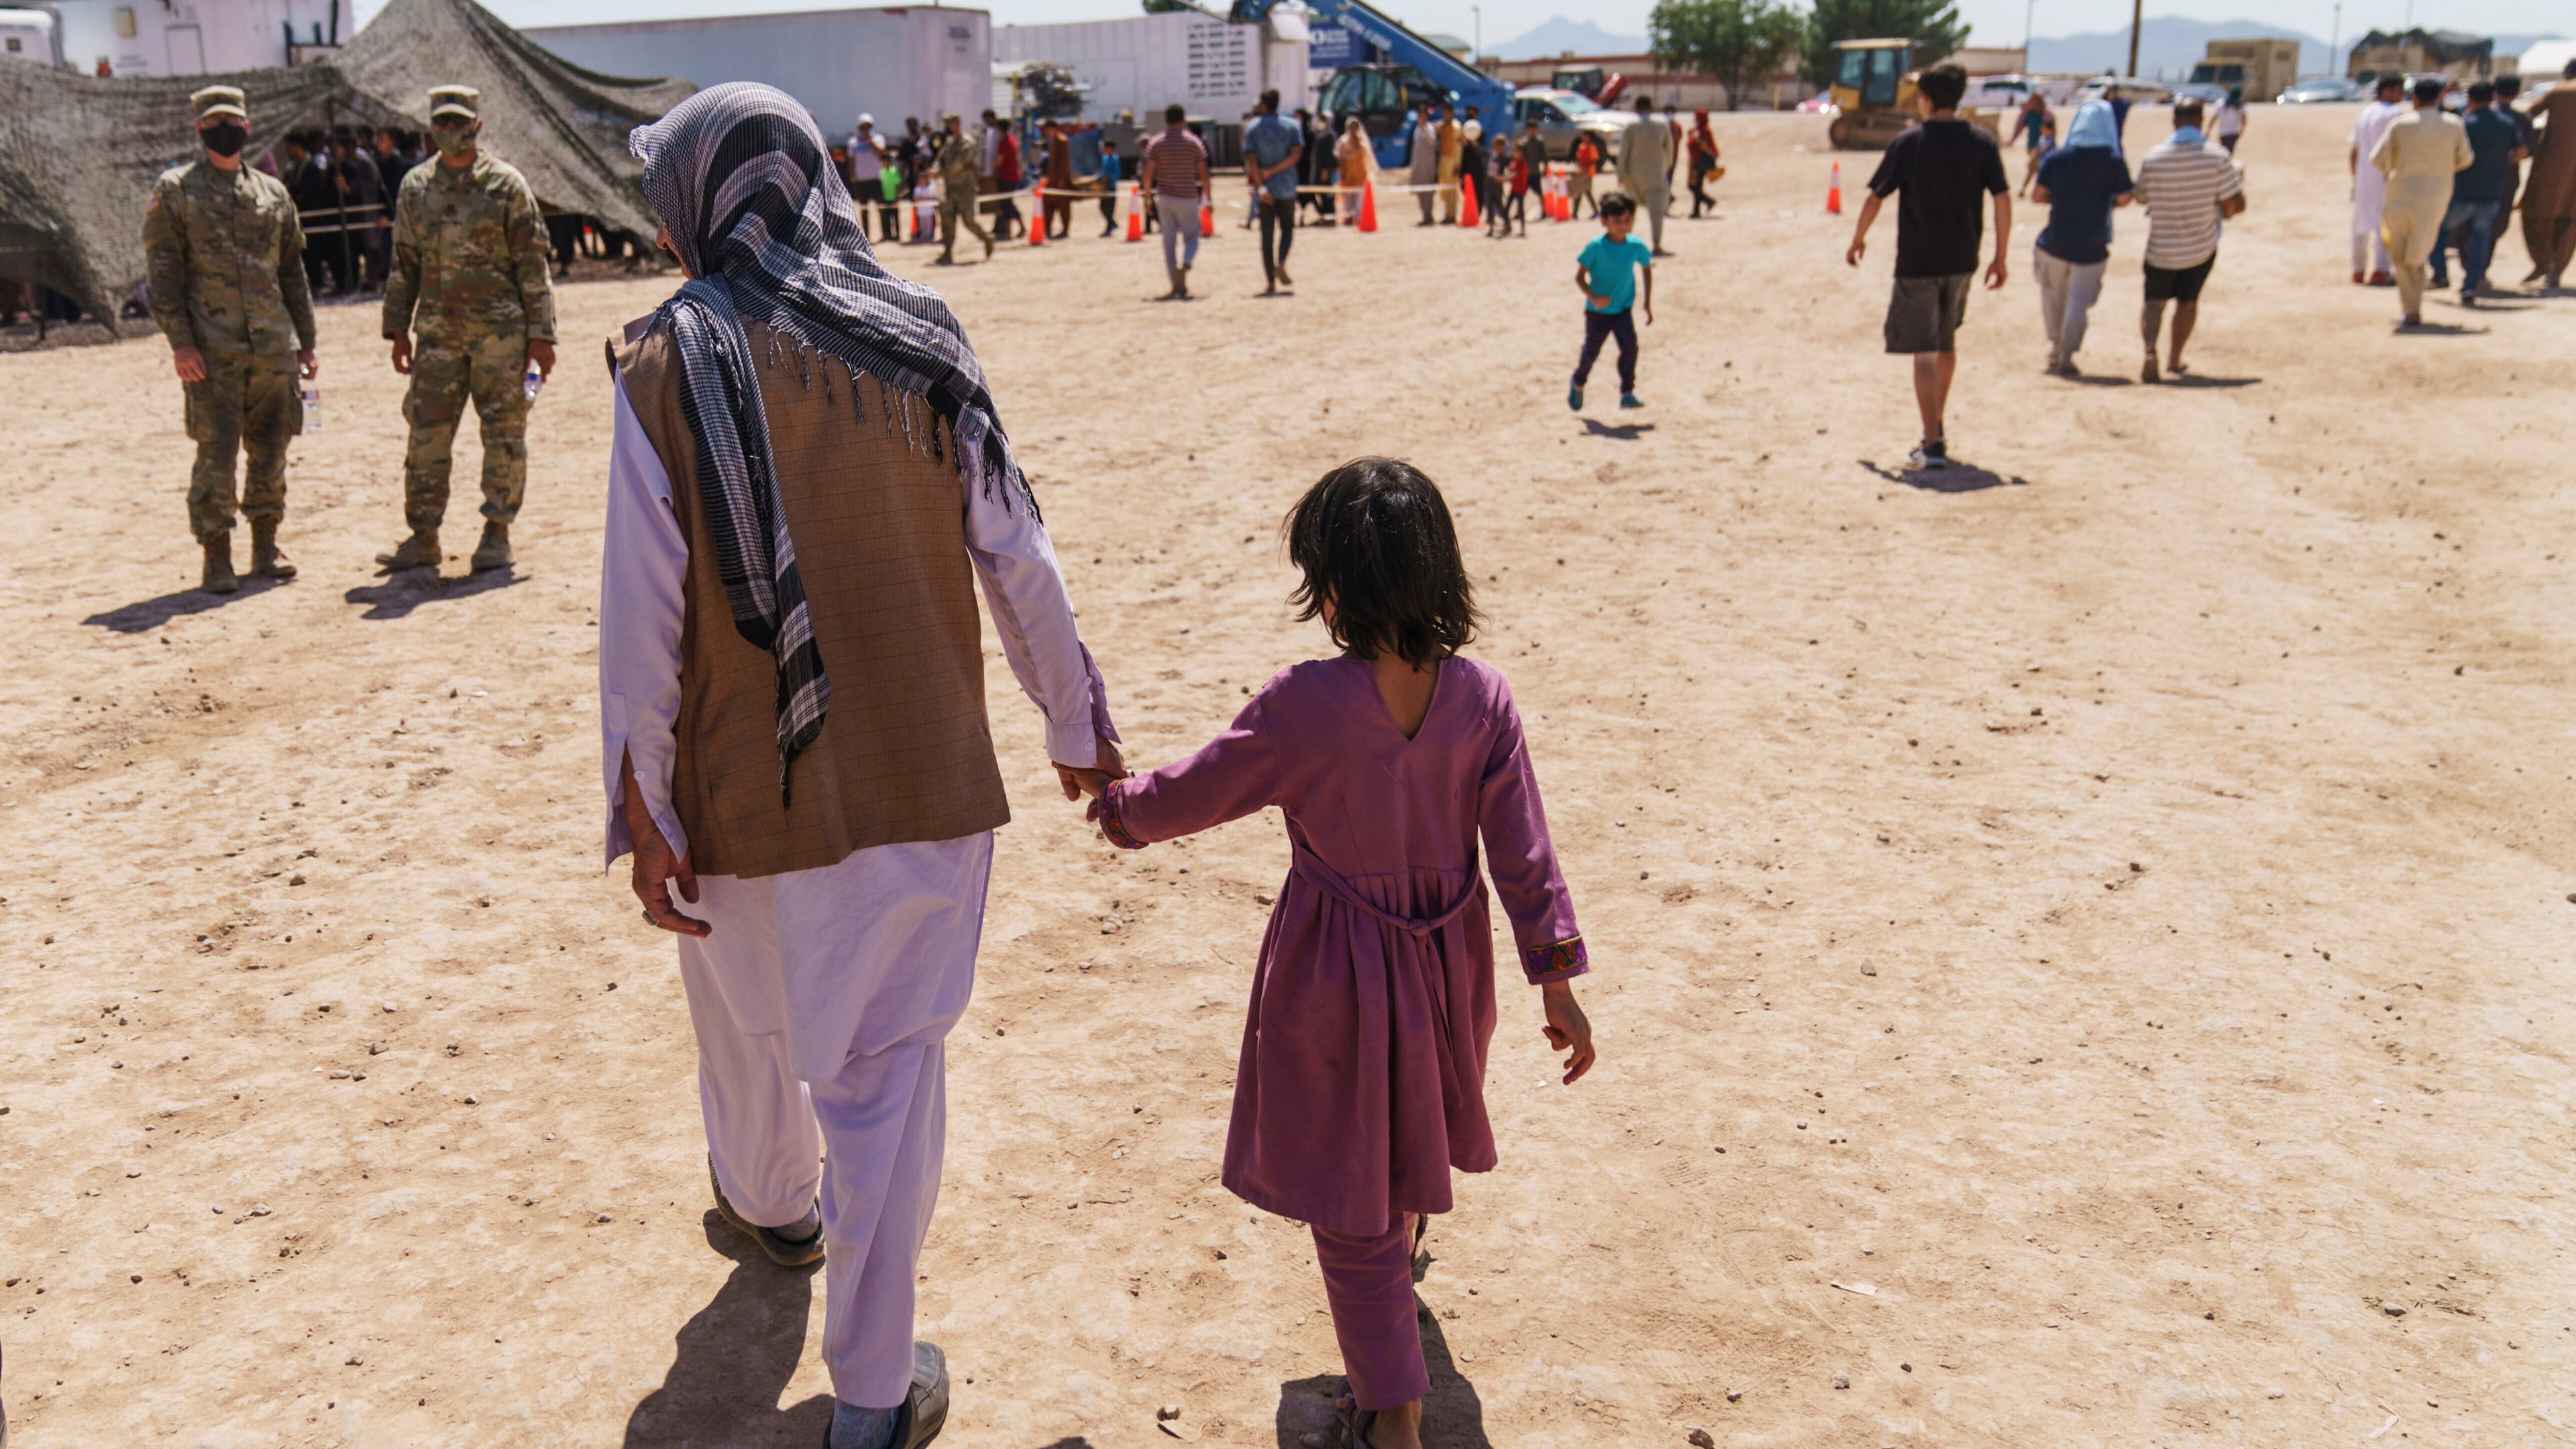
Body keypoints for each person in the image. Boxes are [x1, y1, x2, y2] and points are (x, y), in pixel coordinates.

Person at [608, 82, 1126, 1449]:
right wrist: (1075, 721)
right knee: (882, 1083)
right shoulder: (921, 334)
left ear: (698, 198)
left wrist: (644, 806)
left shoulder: (664, 359)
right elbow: (1018, 549)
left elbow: (639, 616)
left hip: (732, 792)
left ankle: (772, 1211)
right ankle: (874, 1403)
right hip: (918, 780)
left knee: (745, 1021)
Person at [1082, 456, 1594, 1449]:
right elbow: (1525, 852)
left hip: (1335, 977)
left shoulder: (1303, 705)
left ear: (1331, 591)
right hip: (1453, 969)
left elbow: (1195, 792)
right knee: (1403, 1152)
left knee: (1351, 1199)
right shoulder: (1483, 699)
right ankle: (1398, 1302)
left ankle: (1393, 1411)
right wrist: (1558, 982)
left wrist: (1117, 811)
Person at [142, 85, 318, 594]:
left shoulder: (272, 193)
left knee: (271, 451)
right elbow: (163, 276)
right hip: (212, 351)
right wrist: (181, 342)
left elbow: (293, 274)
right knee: (216, 455)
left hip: (273, 348)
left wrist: (305, 341)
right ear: (199, 130)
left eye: (234, 120)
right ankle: (216, 556)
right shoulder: (175, 191)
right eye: (215, 121)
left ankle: (266, 547)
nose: (226, 128)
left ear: (246, 126)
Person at [378, 85, 557, 574]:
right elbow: (404, 264)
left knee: (503, 433)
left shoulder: (507, 186)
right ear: (431, 127)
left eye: (460, 123)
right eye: (443, 123)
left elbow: (532, 265)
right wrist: (396, 329)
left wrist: (542, 336)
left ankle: (497, 532)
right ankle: (423, 536)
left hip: (501, 337)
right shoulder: (415, 187)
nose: (451, 132)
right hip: (436, 337)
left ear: (477, 127)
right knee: (426, 436)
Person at [1843, 63, 2010, 470]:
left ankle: (1933, 442)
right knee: (1947, 342)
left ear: (1925, 99)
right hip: (1963, 259)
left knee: (1925, 350)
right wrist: (2000, 256)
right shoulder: (1982, 142)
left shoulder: (1909, 142)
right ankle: (1934, 426)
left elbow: (1876, 196)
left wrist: (1858, 238)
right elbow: (2002, 199)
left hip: (1918, 261)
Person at [2134, 98, 2246, 379]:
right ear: (2200, 121)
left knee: (2153, 301)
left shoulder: (2154, 157)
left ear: (2174, 122)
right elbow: (2235, 204)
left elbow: (2140, 196)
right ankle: (2174, 359)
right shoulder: (2218, 157)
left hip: (2160, 247)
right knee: (2188, 303)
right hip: (2200, 248)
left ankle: (2150, 350)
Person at [2029, 99, 2133, 376]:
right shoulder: (2113, 161)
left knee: (2053, 297)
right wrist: (2103, 201)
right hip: (2092, 243)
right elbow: (2125, 197)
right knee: (2078, 301)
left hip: (2055, 241)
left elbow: (2038, 195)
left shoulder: (2057, 158)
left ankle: (2054, 346)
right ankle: (2067, 353)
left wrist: (2062, 197)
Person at [2371, 76, 2473, 327]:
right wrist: (2442, 170)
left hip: (2401, 194)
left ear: (2414, 98)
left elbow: (2377, 159)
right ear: (2439, 97)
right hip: (2437, 196)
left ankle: (2411, 308)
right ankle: (2412, 306)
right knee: (2418, 250)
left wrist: (2396, 168)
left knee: (2402, 252)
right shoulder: (2454, 124)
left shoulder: (2400, 125)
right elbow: (2465, 160)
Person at [2431, 83, 2523, 303]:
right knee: (2480, 239)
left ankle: (2441, 274)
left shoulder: (2464, 125)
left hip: (2463, 192)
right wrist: (2502, 164)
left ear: (2470, 99)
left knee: (2436, 232)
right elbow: (2522, 151)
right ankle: (2471, 285)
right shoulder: (2505, 123)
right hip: (2491, 192)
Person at [1567, 191, 1653, 411]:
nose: (1622, 226)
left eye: (1627, 220)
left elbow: (1646, 268)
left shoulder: (1635, 246)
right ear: (1604, 221)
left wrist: (1647, 302)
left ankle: (1627, 392)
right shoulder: (1596, 247)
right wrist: (1593, 297)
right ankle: (1578, 381)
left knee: (1630, 349)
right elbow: (1579, 277)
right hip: (1597, 312)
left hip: (1623, 309)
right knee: (1591, 351)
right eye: (1616, 221)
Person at [1140, 103, 1210, 299]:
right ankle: (1186, 262)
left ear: (1165, 120)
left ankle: (1175, 283)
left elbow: (1148, 174)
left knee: (1168, 243)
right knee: (1192, 237)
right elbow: (1203, 174)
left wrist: (1147, 198)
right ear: (1183, 119)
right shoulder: (1194, 142)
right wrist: (1208, 197)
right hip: (1188, 196)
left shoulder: (1156, 142)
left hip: (1165, 197)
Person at [2520, 59, 2576, 287]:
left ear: (2567, 73)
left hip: (2550, 166)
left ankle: (2544, 261)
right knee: (2570, 221)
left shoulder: (2558, 92)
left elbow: (2526, 117)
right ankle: (2556, 269)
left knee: (2534, 213)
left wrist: (2532, 144)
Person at [2349, 72, 2408, 284]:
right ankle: (2381, 270)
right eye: (2399, 90)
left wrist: (2355, 178)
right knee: (2384, 224)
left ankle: (2358, 269)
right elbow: (2399, 148)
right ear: (2388, 90)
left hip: (2364, 175)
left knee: (2359, 223)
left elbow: (2354, 150)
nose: (2402, 94)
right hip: (2385, 175)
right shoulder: (2395, 113)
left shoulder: (2364, 113)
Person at [1244, 88, 1302, 292]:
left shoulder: (1253, 128)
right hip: (1286, 186)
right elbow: (1296, 155)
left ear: (1264, 105)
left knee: (1267, 236)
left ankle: (1270, 281)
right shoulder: (1292, 126)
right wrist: (1275, 170)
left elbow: (1252, 161)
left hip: (1265, 189)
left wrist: (1261, 185)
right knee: (1287, 227)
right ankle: (1282, 261)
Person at [933, 113, 994, 266]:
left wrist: (941, 172)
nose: (948, 128)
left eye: (950, 124)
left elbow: (959, 164)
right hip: (949, 189)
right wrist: (934, 170)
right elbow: (940, 159)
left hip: (965, 190)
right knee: (947, 221)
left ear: (957, 124)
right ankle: (947, 252)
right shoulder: (949, 143)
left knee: (969, 221)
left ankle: (986, 238)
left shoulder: (968, 143)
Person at [1619, 94, 1676, 254]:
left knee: (1629, 210)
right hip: (1656, 174)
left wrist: (1621, 173)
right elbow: (1669, 149)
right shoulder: (1661, 124)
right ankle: (1656, 245)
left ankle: (1625, 242)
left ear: (1636, 109)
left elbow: (1624, 152)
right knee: (1656, 213)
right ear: (1651, 108)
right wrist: (1668, 167)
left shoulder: (1631, 126)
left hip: (1634, 175)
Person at [849, 115, 898, 243]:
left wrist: (870, 141)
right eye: (863, 127)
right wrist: (853, 176)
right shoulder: (853, 142)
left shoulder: (878, 139)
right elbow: (852, 161)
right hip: (861, 180)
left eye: (868, 126)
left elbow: (881, 153)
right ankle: (866, 236)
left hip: (875, 178)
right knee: (864, 210)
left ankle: (886, 234)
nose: (865, 129)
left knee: (881, 208)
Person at [1039, 121, 1075, 242]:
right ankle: (1047, 229)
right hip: (1052, 179)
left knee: (1063, 205)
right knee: (1048, 204)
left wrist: (1061, 179)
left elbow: (1064, 161)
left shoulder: (1062, 141)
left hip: (1060, 180)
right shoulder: (1053, 141)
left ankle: (1065, 229)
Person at [1407, 103, 1440, 225]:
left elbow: (1433, 143)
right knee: (1420, 191)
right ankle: (1424, 214)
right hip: (1418, 164)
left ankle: (1429, 215)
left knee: (1428, 192)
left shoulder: (1430, 128)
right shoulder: (1416, 129)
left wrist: (1424, 128)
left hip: (1428, 165)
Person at [990, 123, 1024, 241]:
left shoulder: (1004, 142)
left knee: (1007, 204)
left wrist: (993, 169)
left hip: (1007, 177)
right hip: (1013, 175)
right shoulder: (1012, 139)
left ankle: (1010, 230)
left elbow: (1000, 159)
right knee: (1008, 203)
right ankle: (1018, 227)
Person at [1336, 117, 1373, 222]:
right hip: (1347, 174)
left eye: (1355, 127)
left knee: (1360, 197)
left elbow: (1368, 158)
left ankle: (1358, 218)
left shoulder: (1363, 142)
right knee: (1348, 197)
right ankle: (1348, 217)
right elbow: (1339, 156)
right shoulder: (1343, 141)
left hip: (1360, 174)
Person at [1686, 109, 1719, 217]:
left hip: (1700, 162)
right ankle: (1698, 209)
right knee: (1696, 187)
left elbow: (1709, 146)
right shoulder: (1698, 130)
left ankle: (1706, 204)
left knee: (1694, 187)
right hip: (1695, 161)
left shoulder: (1705, 130)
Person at [1436, 104, 1462, 223]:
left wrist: (1457, 164)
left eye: (1447, 113)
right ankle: (1447, 213)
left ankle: (1453, 214)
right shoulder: (1443, 126)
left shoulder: (1456, 127)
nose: (1445, 115)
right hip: (1444, 159)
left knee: (1452, 188)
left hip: (1452, 159)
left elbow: (1458, 148)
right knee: (1445, 188)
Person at [1095, 136, 1124, 236]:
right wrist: (1099, 177)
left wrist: (1109, 178)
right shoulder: (1105, 158)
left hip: (1111, 186)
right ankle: (1112, 223)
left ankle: (1109, 227)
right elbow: (1103, 171)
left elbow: (1117, 174)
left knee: (1110, 208)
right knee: (1102, 207)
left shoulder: (1115, 159)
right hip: (1104, 187)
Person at [1570, 131, 1601, 218]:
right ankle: (1575, 212)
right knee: (1578, 192)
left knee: (1587, 192)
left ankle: (1596, 211)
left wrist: (1584, 170)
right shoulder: (1582, 146)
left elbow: (1593, 161)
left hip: (1588, 173)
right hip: (1581, 172)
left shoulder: (1591, 147)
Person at [2214, 88, 2246, 154]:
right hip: (2234, 132)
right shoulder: (2239, 105)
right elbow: (2244, 119)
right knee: (2230, 151)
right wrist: (2242, 129)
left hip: (2223, 131)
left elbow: (2215, 117)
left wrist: (2209, 128)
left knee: (2224, 151)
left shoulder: (2220, 103)